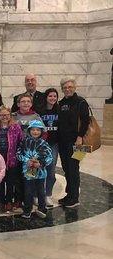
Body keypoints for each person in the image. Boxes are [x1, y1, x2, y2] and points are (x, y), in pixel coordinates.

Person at [58, 77, 89, 208]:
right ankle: (69, 194)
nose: (67, 89)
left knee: (74, 168)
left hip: (79, 142)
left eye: (70, 87)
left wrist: (80, 137)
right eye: (65, 87)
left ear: (74, 87)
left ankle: (74, 197)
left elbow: (85, 120)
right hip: (63, 141)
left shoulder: (81, 102)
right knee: (66, 168)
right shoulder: (61, 103)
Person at [0, 105, 24, 212]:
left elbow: (20, 141)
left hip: (11, 159)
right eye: (2, 115)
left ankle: (9, 200)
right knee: (0, 181)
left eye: (6, 115)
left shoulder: (15, 127)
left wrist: (18, 155)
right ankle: (1, 200)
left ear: (10, 115)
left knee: (11, 181)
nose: (4, 117)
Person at [17, 120, 53, 219]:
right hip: (29, 171)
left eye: (38, 130)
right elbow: (19, 154)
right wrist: (26, 160)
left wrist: (41, 164)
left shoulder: (44, 144)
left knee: (41, 191)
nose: (35, 132)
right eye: (33, 130)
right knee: (28, 191)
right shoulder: (25, 142)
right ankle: (27, 209)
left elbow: (50, 157)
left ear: (41, 131)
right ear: (29, 131)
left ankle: (42, 208)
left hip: (41, 173)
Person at [38, 88, 59, 207]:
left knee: (51, 171)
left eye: (55, 96)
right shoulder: (40, 111)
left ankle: (48, 195)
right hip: (41, 144)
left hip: (54, 144)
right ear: (46, 97)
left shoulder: (59, 110)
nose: (52, 98)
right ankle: (37, 195)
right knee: (38, 169)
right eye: (50, 96)